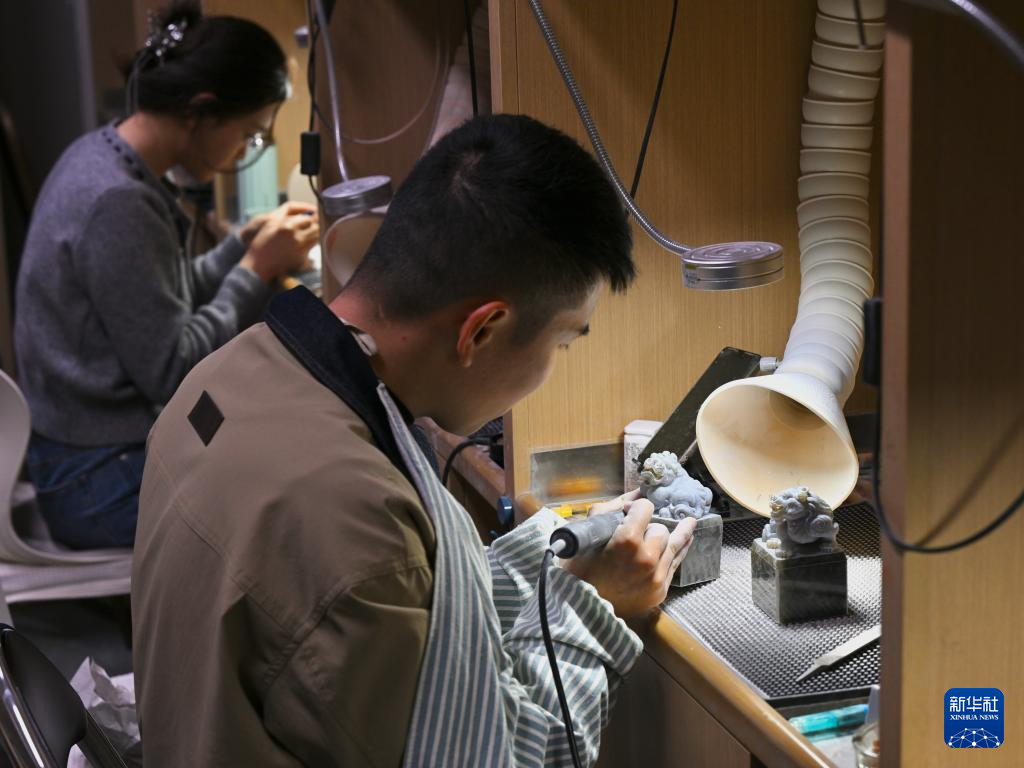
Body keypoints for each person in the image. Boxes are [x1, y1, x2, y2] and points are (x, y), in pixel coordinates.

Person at [132, 114, 698, 767]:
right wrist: (593, 609)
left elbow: (397, 611)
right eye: (564, 343)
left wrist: (541, 557)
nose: (554, 366)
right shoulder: (360, 527)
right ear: (481, 330)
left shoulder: (226, 376)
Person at [14, 0, 318, 550]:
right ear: (201, 111)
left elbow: (154, 299)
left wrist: (240, 247)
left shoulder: (102, 155)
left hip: (80, 463)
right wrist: (256, 269)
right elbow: (174, 366)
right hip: (97, 482)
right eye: (249, 134)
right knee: (294, 489)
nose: (244, 152)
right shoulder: (118, 201)